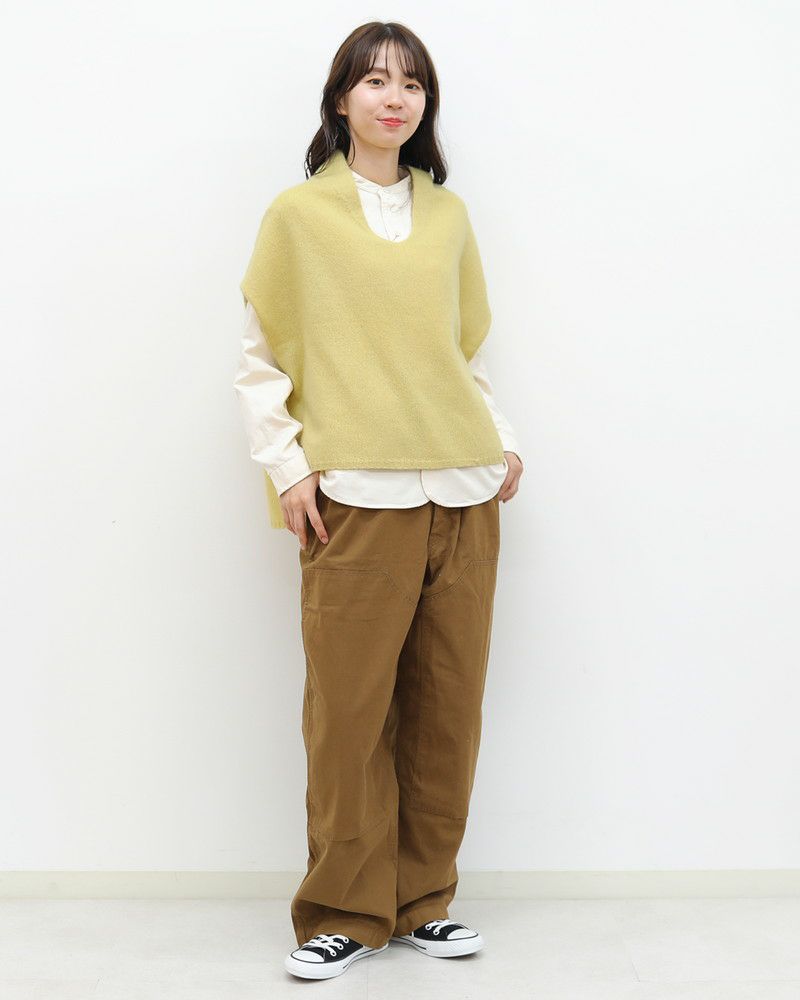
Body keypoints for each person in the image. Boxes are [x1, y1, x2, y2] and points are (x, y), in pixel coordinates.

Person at [234, 21, 524, 981]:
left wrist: (504, 440)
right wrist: (288, 469)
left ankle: (421, 902)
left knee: (448, 712)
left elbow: (461, 352)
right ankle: (343, 911)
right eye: (374, 81)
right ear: (341, 98)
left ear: (425, 104)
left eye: (411, 84)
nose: (394, 98)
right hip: (355, 496)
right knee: (349, 716)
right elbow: (261, 360)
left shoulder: (449, 217)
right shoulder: (299, 217)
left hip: (464, 490)